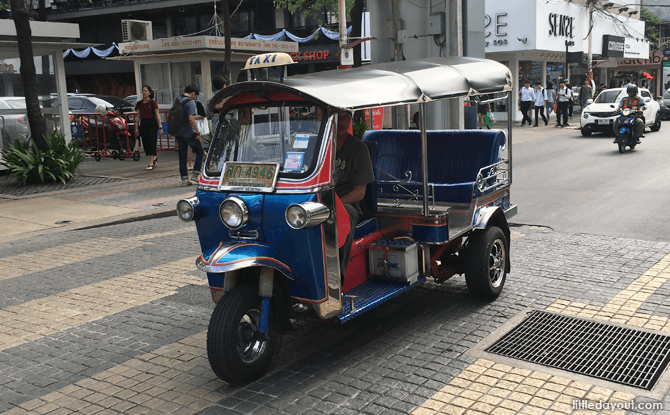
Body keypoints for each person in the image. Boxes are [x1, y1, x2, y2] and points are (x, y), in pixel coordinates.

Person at [334, 110, 375, 281]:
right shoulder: (317, 147)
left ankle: (337, 275)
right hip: (315, 200)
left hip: (346, 203)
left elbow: (359, 192)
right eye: (337, 117)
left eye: (346, 117)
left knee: (343, 215)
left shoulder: (359, 149)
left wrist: (333, 204)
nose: (342, 122)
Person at [174, 85, 205, 187]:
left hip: (178, 132)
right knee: (200, 152)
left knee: (182, 156)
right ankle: (195, 176)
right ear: (193, 93)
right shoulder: (190, 102)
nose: (195, 98)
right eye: (195, 96)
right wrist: (197, 131)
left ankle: (184, 180)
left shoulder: (177, 100)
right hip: (189, 133)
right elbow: (191, 119)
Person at [135, 85, 163, 170]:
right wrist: (136, 127)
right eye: (143, 91)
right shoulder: (139, 103)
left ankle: (151, 162)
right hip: (143, 123)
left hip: (152, 123)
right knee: (146, 143)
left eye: (145, 91)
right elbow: (138, 116)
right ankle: (154, 158)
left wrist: (160, 126)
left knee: (152, 142)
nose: (144, 92)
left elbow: (157, 115)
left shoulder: (152, 103)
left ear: (149, 92)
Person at [187, 100, 208, 170]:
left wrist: (191, 117)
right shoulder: (185, 104)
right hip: (188, 128)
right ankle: (191, 164)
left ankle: (207, 158)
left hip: (198, 128)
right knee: (189, 147)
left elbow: (203, 115)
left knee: (199, 146)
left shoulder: (197, 103)